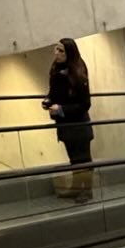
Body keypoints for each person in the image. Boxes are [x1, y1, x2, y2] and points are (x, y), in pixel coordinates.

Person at [42, 37, 95, 203]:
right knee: (73, 158)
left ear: (69, 53)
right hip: (65, 124)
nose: (56, 53)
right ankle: (76, 188)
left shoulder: (78, 70)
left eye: (61, 51)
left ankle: (87, 190)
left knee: (83, 159)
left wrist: (61, 109)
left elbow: (85, 104)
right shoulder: (56, 69)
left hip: (78, 124)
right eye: (56, 49)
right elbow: (53, 92)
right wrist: (48, 101)